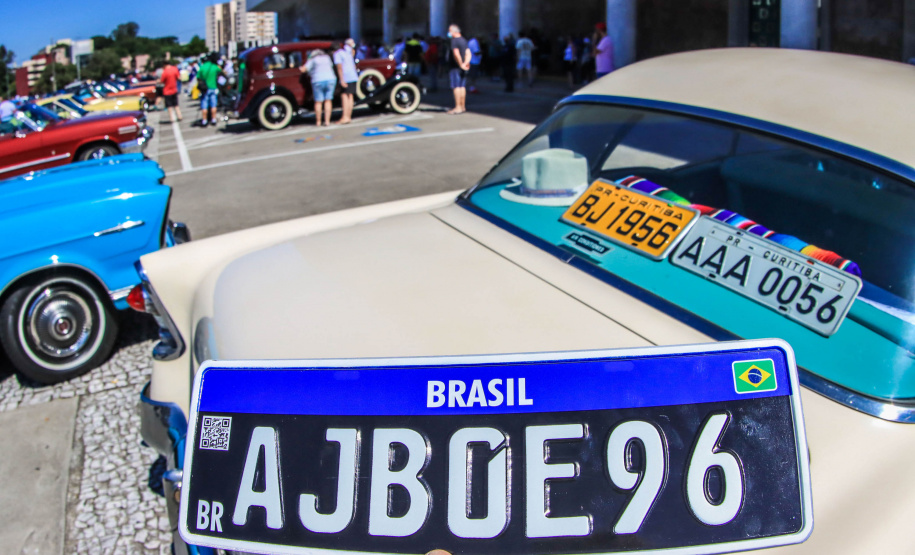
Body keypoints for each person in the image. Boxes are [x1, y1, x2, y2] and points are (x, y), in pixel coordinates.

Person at [300, 48, 337, 127]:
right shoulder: (327, 58)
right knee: (328, 100)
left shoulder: (313, 59)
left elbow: (304, 69)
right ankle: (327, 121)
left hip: (317, 80)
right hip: (330, 79)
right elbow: (331, 66)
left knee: (318, 102)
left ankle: (318, 121)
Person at [333, 39, 359, 125]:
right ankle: (348, 116)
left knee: (344, 95)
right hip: (353, 75)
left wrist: (341, 79)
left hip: (346, 76)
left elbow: (339, 67)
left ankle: (345, 116)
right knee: (350, 95)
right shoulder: (349, 51)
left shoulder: (338, 54)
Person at [447, 24, 471, 115]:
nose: (449, 33)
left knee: (456, 86)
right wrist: (466, 63)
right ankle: (462, 106)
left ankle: (457, 107)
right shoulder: (464, 40)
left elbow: (456, 54)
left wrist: (460, 64)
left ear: (454, 31)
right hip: (464, 67)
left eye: (450, 31)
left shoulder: (454, 41)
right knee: (462, 86)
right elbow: (468, 53)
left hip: (455, 67)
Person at [196, 54, 222, 127]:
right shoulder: (214, 66)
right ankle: (213, 119)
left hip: (205, 89)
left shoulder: (202, 67)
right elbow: (221, 71)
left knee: (204, 105)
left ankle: (204, 120)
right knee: (213, 105)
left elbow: (198, 78)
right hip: (213, 88)